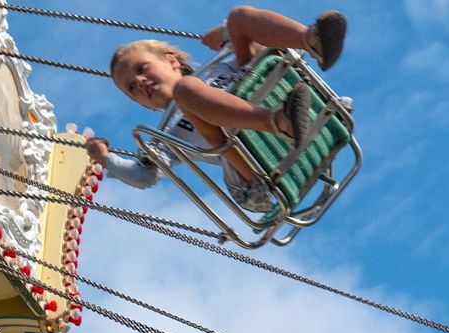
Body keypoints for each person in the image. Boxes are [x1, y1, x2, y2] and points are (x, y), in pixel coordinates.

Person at [86, 6, 348, 213]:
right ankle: (279, 122)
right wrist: (106, 159)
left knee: (239, 18)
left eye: (142, 69)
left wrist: (225, 33)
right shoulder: (165, 135)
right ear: (142, 104)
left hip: (277, 112)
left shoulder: (218, 68)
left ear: (172, 61)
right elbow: (143, 176)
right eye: (132, 87)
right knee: (186, 91)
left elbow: (246, 38)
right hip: (254, 174)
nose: (140, 82)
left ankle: (313, 41)